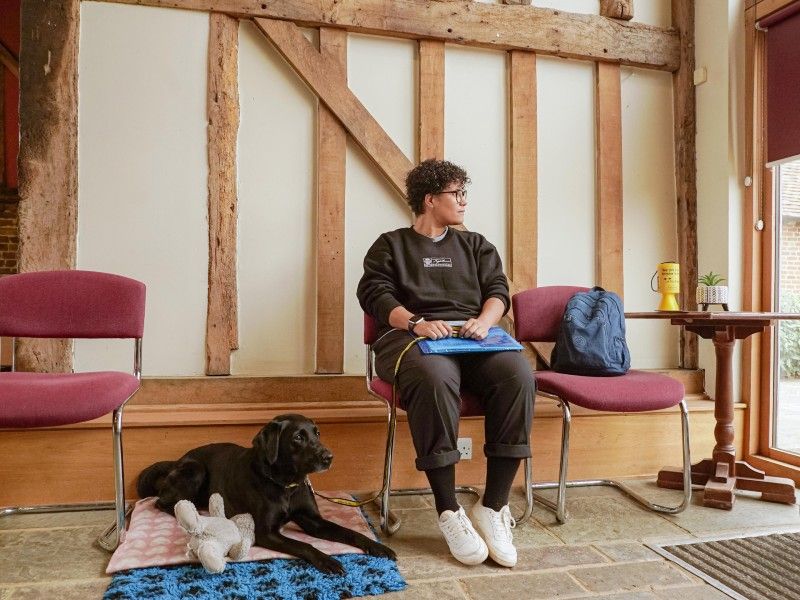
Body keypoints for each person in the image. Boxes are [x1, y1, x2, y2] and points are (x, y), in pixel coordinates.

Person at [357, 159, 536, 568]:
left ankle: (492, 507)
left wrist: (484, 322)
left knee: (519, 374)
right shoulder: (390, 245)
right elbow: (375, 295)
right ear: (429, 199)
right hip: (410, 338)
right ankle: (448, 510)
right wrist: (416, 323)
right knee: (435, 377)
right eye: (456, 193)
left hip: (472, 338)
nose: (463, 201)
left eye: (463, 193)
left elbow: (498, 291)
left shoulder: (475, 245)